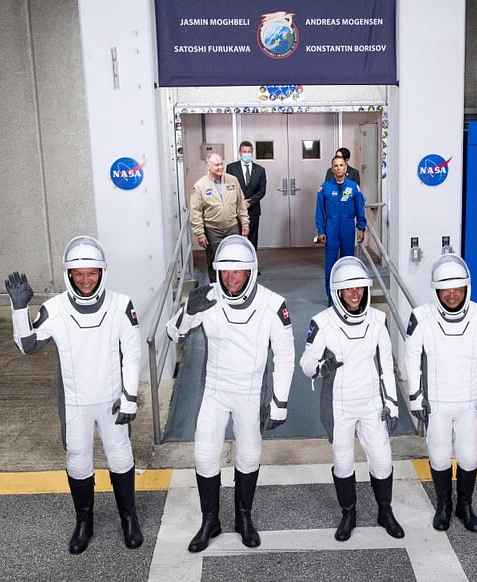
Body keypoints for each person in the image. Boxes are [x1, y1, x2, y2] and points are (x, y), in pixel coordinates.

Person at [4, 236, 143, 554]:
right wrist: (19, 309)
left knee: (120, 456)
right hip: (75, 403)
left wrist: (130, 396)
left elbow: (132, 354)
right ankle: (84, 522)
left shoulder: (121, 304)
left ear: (102, 271)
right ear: (68, 274)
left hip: (112, 401)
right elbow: (28, 346)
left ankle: (129, 518)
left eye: (91, 272)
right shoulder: (54, 309)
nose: (85, 280)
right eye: (78, 274)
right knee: (78, 462)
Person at [166, 235, 295, 552]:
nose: (231, 277)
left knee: (250, 453)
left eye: (237, 271)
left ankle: (243, 518)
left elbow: (286, 354)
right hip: (214, 391)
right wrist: (188, 312)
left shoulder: (273, 304)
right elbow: (173, 332)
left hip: (250, 393)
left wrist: (280, 401)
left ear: (251, 271)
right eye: (225, 271)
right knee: (204, 455)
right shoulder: (207, 298)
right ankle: (210, 520)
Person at [299, 257, 404, 542]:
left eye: (359, 287)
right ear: (338, 292)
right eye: (349, 289)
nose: (355, 294)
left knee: (382, 461)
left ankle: (385, 511)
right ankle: (349, 514)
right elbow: (305, 362)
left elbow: (386, 365)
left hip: (371, 403)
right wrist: (321, 367)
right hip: (339, 405)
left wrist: (392, 403)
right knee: (343, 462)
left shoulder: (377, 320)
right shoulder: (322, 323)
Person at [404, 253, 477, 533]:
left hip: (468, 403)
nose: (452, 294)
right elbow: (411, 357)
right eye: (446, 288)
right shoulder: (421, 317)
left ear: (467, 287)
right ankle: (444, 505)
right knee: (439, 456)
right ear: (436, 289)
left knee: (470, 456)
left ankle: (465, 505)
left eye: (458, 288)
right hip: (436, 404)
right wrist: (415, 395)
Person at [191, 152, 250, 282]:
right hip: (213, 231)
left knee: (234, 259)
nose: (220, 167)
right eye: (217, 165)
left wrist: (245, 223)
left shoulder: (232, 180)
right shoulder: (200, 185)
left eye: (221, 164)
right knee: (215, 262)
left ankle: (234, 287)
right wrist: (200, 234)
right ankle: (216, 289)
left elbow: (241, 203)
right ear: (208, 166)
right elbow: (196, 212)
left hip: (232, 228)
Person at [316, 155, 367, 304]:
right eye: (336, 166)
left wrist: (361, 228)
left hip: (347, 229)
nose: (339, 168)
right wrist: (321, 230)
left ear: (346, 168)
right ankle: (331, 298)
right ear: (332, 169)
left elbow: (359, 209)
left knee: (348, 264)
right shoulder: (325, 188)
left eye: (341, 165)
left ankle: (347, 297)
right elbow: (319, 211)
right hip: (331, 230)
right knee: (330, 266)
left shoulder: (353, 187)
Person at [226, 141, 267, 251]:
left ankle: (252, 265)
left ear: (252, 152)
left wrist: (250, 202)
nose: (247, 154)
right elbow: (228, 188)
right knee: (236, 238)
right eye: (244, 152)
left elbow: (262, 190)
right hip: (235, 210)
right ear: (240, 152)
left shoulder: (260, 170)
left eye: (249, 152)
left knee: (252, 238)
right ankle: (239, 265)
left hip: (253, 209)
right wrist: (240, 202)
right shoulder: (231, 168)